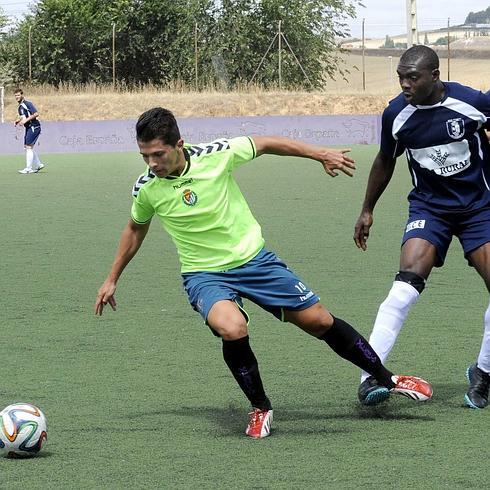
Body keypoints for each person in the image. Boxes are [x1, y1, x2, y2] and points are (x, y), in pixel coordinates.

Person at [95, 107, 431, 439]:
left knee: (321, 322)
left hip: (255, 261)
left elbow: (266, 143)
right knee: (232, 327)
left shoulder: (218, 155)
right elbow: (135, 229)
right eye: (145, 156)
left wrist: (319, 154)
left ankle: (388, 379)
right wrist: (112, 278)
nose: (152, 164)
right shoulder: (147, 188)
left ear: (179, 143)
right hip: (204, 274)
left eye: (158, 154)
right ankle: (260, 407)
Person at [353, 45, 490, 409]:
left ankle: (484, 373)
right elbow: (385, 159)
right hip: (430, 208)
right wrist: (367, 209)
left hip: (480, 208)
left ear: (434, 75)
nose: (404, 83)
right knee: (405, 285)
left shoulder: (471, 102)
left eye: (412, 77)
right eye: (401, 76)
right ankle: (369, 377)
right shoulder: (396, 114)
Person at [14, 88, 45, 174]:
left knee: (28, 147)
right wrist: (18, 121)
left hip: (34, 127)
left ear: (22, 95)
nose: (17, 97)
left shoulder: (27, 104)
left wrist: (25, 121)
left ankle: (28, 168)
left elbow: (36, 114)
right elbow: (24, 117)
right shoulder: (20, 107)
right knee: (27, 147)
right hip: (29, 128)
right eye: (15, 95)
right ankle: (38, 164)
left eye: (18, 95)